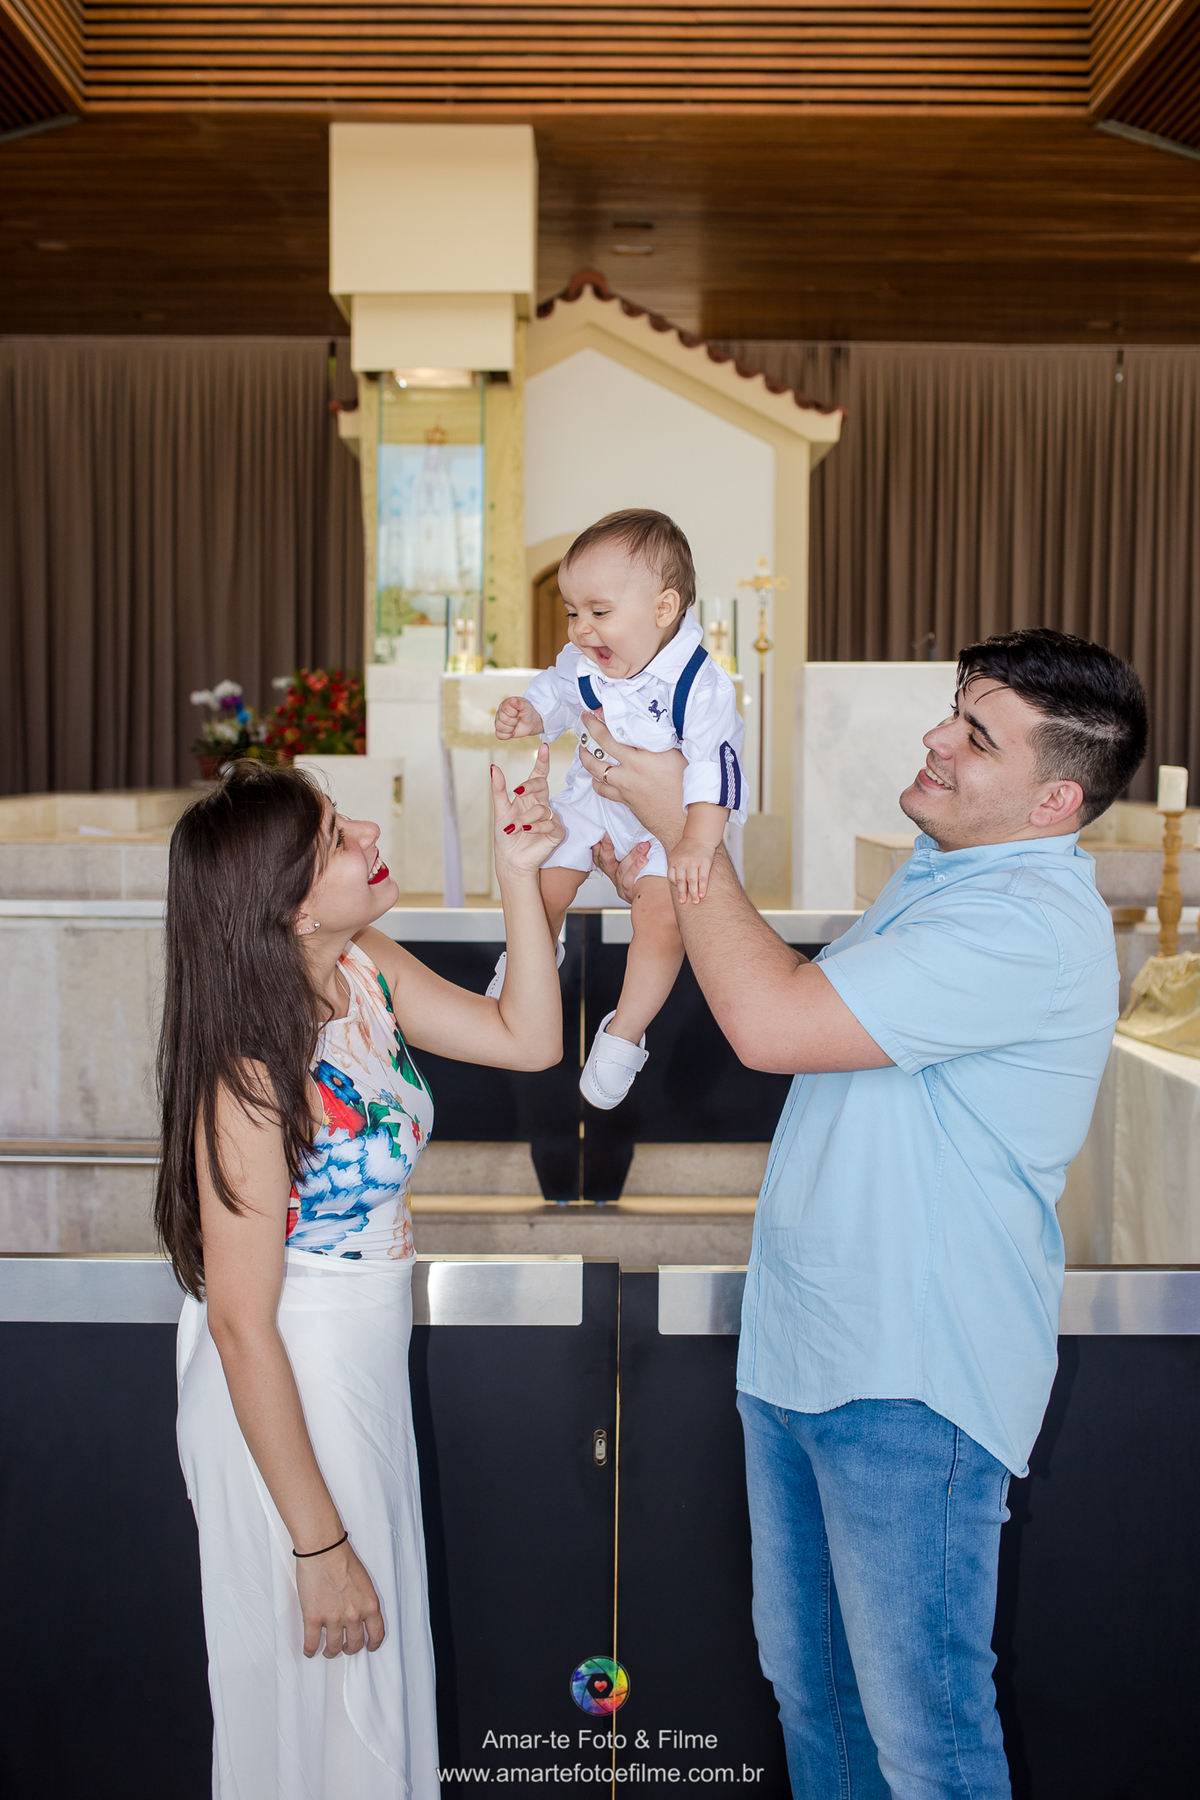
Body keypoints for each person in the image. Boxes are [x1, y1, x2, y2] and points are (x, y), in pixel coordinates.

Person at [583, 628, 1147, 1799]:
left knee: (925, 1740)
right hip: (811, 1354)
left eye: (977, 736)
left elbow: (774, 1024)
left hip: (911, 1377)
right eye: (955, 711)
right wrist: (661, 858)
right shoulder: (946, 871)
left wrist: (693, 830)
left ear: (1055, 799)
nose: (937, 737)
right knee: (820, 1706)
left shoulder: (1025, 922)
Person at [154, 751, 563, 1800]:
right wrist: (319, 1544)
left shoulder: (362, 968)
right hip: (285, 1392)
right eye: (338, 837)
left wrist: (519, 876)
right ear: (291, 907)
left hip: (356, 1374)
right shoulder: (249, 1074)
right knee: (320, 1710)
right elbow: (242, 1326)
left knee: (370, 1692)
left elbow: (526, 1039)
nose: (371, 835)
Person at [494, 508, 746, 1109]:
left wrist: (695, 840)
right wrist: (532, 713)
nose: (582, 630)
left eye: (599, 612)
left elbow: (715, 766)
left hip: (671, 821)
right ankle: (529, 964)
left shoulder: (698, 684)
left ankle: (624, 1033)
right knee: (542, 882)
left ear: (663, 609)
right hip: (594, 798)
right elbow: (558, 691)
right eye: (572, 613)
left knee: (663, 920)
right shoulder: (586, 661)